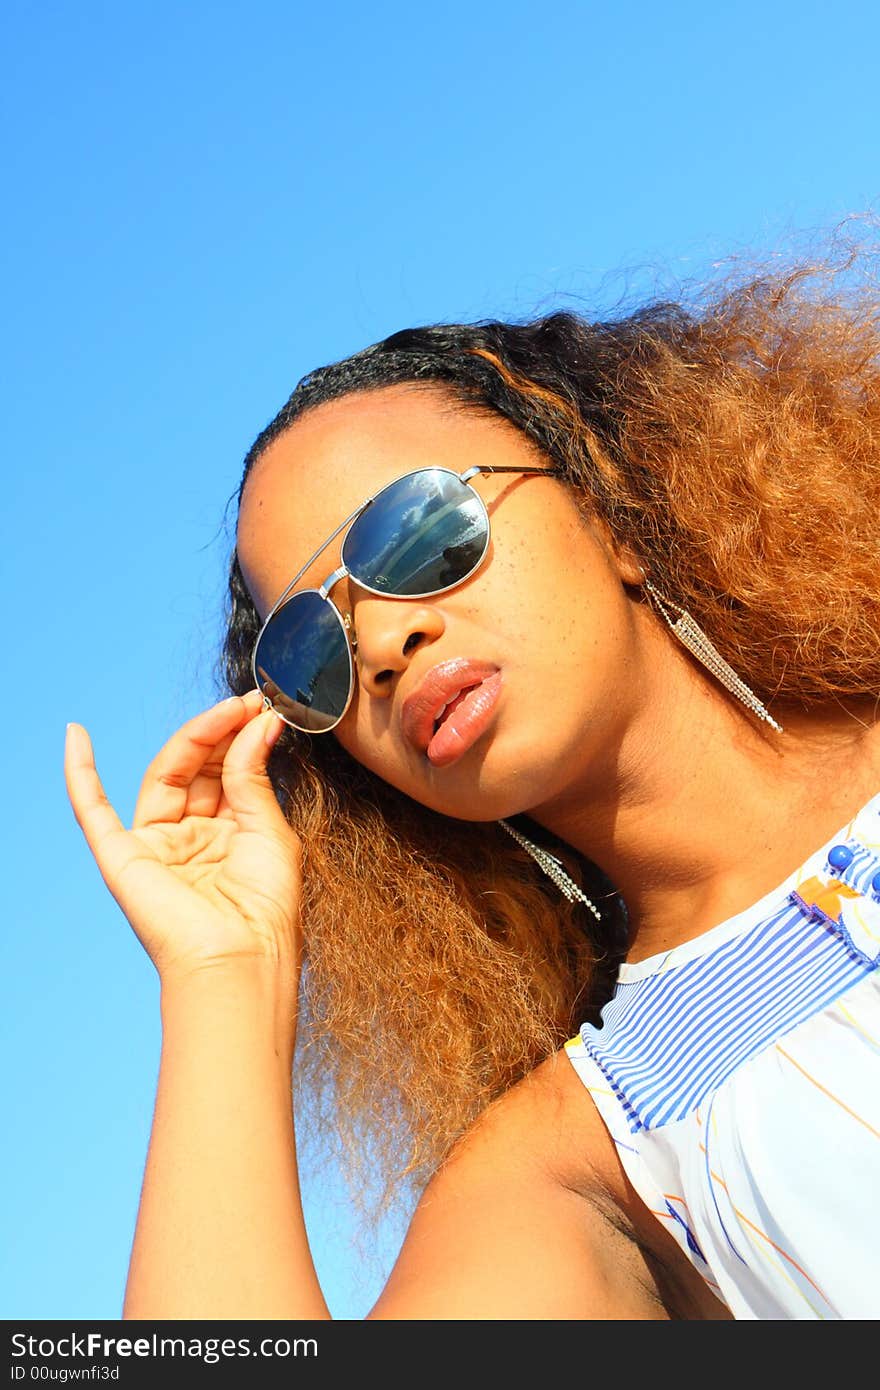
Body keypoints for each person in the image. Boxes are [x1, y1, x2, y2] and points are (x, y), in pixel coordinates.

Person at [65, 251, 880, 1320]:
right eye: (313, 652)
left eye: (419, 532)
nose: (386, 640)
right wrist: (227, 972)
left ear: (604, 495)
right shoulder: (589, 1151)